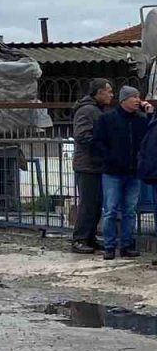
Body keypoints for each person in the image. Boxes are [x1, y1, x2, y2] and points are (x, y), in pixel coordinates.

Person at [92, 86, 151, 260]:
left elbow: (150, 138)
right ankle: (109, 246)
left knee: (130, 210)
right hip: (113, 172)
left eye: (138, 97)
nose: (138, 101)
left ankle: (126, 244)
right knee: (110, 210)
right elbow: (97, 142)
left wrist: (149, 114)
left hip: (133, 172)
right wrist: (109, 158)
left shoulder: (141, 120)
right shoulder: (107, 119)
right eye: (134, 97)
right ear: (124, 100)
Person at [70, 79, 113, 253]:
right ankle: (79, 239)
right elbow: (82, 136)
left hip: (96, 164)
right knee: (88, 204)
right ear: (98, 92)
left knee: (96, 204)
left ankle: (89, 237)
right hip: (87, 164)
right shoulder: (87, 110)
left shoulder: (97, 110)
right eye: (108, 91)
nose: (111, 95)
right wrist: (102, 146)